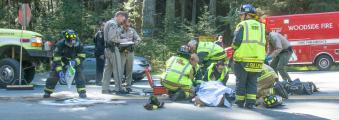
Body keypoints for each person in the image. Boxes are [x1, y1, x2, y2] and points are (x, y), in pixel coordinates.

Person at [232, 4, 266, 109]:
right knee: (252, 82)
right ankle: (250, 103)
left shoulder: (243, 25)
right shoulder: (261, 26)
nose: (240, 17)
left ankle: (239, 102)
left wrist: (233, 47)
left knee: (241, 82)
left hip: (242, 58)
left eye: (241, 14)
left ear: (247, 15)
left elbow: (236, 42)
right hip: (258, 59)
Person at [43, 29, 87, 98]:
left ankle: (82, 92)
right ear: (66, 40)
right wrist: (60, 70)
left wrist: (75, 62)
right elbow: (57, 59)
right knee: (54, 74)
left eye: (73, 42)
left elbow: (82, 56)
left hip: (74, 62)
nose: (71, 44)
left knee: (79, 73)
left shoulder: (79, 44)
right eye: (70, 42)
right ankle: (47, 91)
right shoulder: (60, 45)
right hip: (62, 61)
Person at [102, 11, 128, 94]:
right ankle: (119, 88)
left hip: (107, 49)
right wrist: (123, 40)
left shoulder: (108, 22)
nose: (122, 22)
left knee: (107, 70)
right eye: (123, 19)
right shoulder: (113, 24)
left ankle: (105, 88)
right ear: (119, 16)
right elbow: (112, 38)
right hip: (113, 48)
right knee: (117, 69)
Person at [119, 20, 142, 92]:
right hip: (122, 52)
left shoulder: (132, 30)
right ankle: (119, 86)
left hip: (130, 51)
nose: (127, 26)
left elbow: (138, 38)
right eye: (126, 25)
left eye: (129, 25)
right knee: (120, 69)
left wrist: (135, 42)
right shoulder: (119, 30)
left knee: (129, 69)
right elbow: (115, 39)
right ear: (123, 24)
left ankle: (128, 85)